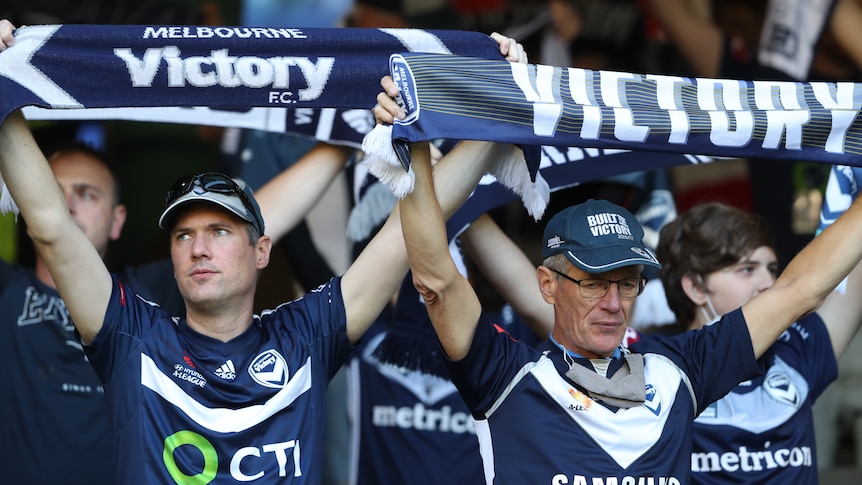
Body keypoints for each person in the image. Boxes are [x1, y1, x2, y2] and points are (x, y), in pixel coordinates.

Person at [0, 19, 527, 484]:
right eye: (183, 236)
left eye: (221, 231)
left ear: (262, 251)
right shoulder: (131, 335)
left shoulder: (308, 334)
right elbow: (51, 227)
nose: (198, 248)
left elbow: (407, 229)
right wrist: (3, 87)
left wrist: (496, 96)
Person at [377, 84, 862, 482]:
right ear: (547, 284)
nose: (613, 303)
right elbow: (438, 279)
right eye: (593, 283)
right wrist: (413, 145)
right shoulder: (507, 375)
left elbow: (800, 289)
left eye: (627, 284)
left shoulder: (679, 371)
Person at [0, 109, 353, 485]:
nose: (66, 204)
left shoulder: (139, 302)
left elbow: (252, 228)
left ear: (119, 219)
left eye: (86, 193)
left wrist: (345, 141)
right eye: (55, 190)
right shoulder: (7, 287)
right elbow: (51, 225)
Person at [650, 202, 862, 483]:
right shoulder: (657, 369)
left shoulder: (797, 349)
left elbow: (853, 258)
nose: (769, 283)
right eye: (747, 269)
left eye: (772, 268)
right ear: (696, 287)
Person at [347, 213, 553, 485]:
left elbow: (543, 310)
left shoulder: (503, 341)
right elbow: (304, 254)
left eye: (445, 271)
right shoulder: (365, 333)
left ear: (474, 276)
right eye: (408, 273)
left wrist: (463, 203)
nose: (422, 286)